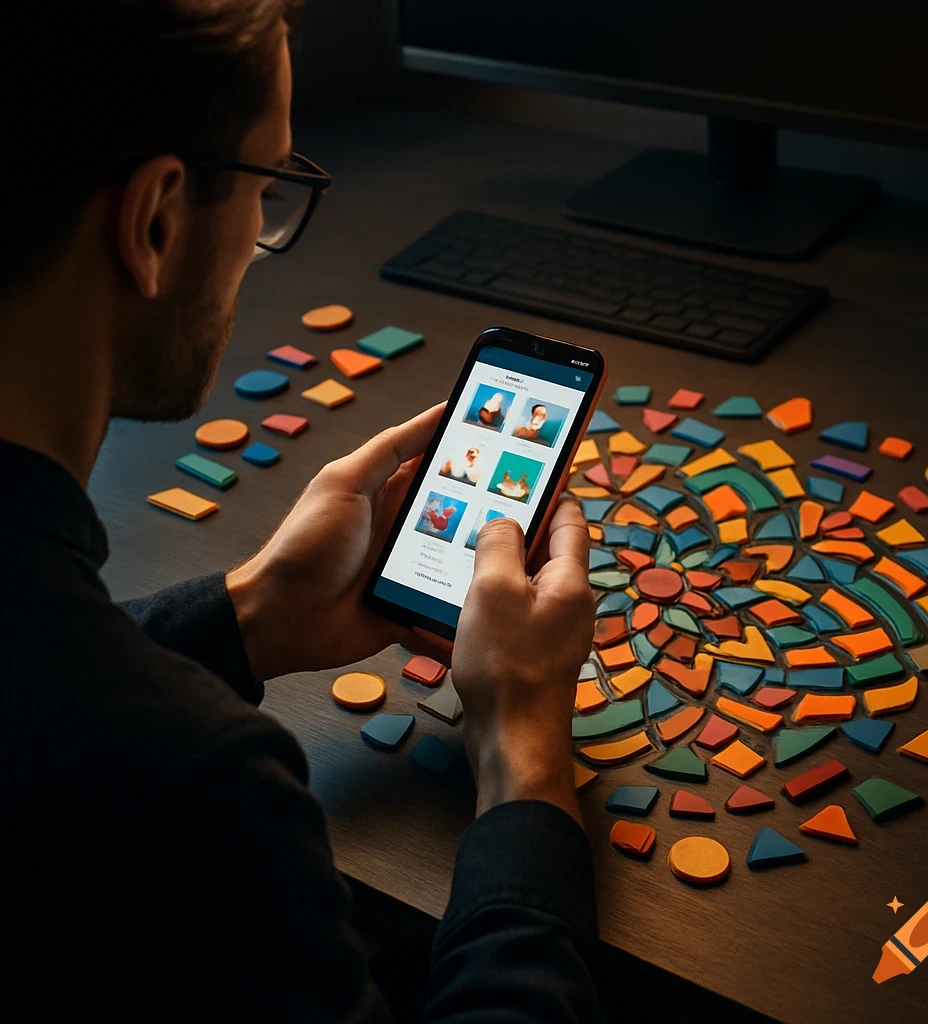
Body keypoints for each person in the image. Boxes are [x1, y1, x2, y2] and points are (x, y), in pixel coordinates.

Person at [0, 2, 602, 1019]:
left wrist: (253, 607)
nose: (265, 235)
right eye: (271, 184)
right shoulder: (202, 792)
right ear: (155, 219)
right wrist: (528, 765)